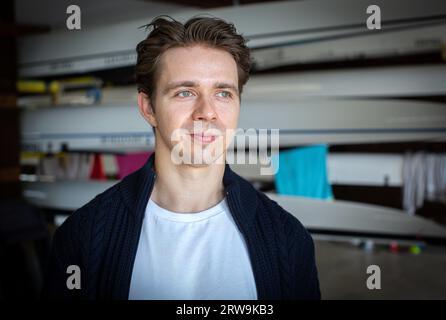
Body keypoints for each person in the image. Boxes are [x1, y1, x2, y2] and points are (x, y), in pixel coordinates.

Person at [42, 15, 321, 300]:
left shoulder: (288, 239)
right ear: (148, 107)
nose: (207, 111)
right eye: (185, 92)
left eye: (223, 93)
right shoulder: (82, 237)